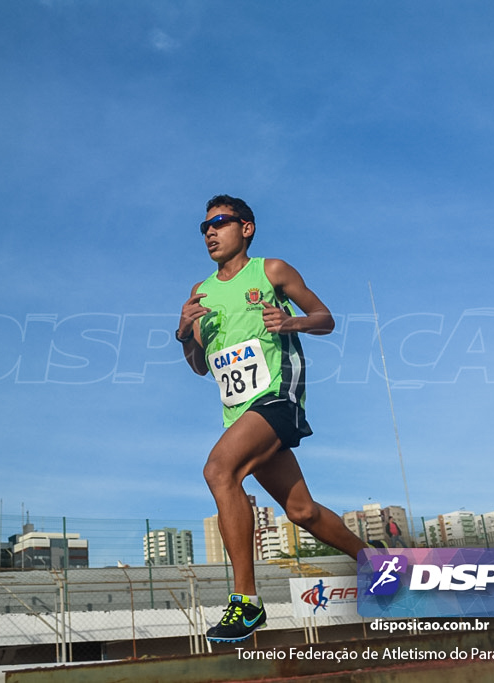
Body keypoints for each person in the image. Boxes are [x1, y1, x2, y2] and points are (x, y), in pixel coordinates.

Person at [177, 194, 368, 643]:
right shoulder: (199, 292)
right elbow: (199, 366)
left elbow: (325, 319)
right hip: (240, 414)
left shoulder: (271, 271)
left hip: (278, 396)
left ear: (246, 228)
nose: (210, 232)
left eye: (220, 222)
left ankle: (247, 602)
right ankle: (377, 563)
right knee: (301, 511)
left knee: (218, 469)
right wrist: (184, 332)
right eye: (204, 226)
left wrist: (290, 323)